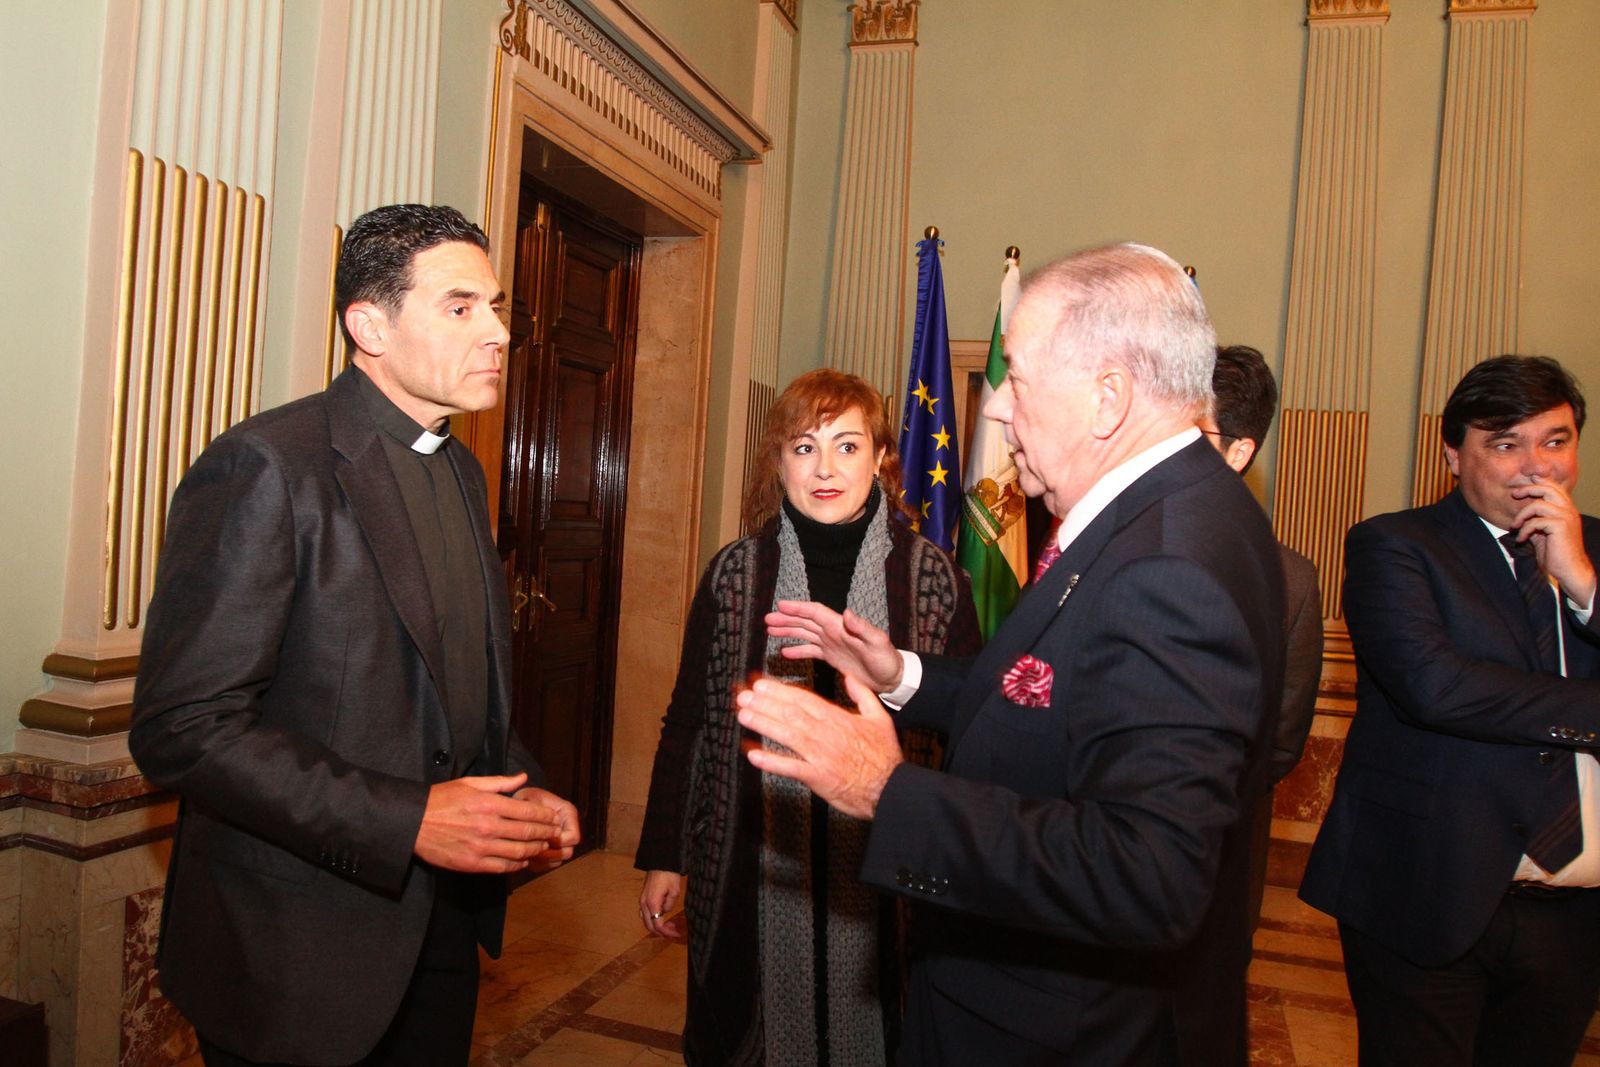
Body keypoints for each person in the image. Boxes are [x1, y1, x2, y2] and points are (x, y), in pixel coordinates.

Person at [739, 243, 1286, 1064]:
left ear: (1108, 397)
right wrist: (901, 673)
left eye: (1018, 380)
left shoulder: (1167, 561)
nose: (994, 409)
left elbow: (1146, 873)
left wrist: (886, 789)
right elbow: (1055, 694)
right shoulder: (1170, 510)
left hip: (1067, 1031)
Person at [130, 204, 580, 1067]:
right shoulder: (267, 464)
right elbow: (181, 728)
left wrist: (518, 785)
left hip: (439, 933)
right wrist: (408, 820)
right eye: (460, 307)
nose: (498, 333)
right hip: (295, 953)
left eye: (495, 307)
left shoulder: (462, 468)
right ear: (369, 326)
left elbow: (450, 683)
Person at [635, 368, 980, 1066]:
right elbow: (688, 722)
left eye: (847, 446)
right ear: (779, 461)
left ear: (881, 460)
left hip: (891, 875)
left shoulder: (932, 578)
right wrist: (666, 854)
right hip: (745, 861)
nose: (825, 468)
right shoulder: (735, 575)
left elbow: (969, 732)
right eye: (804, 447)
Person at [1300, 356, 1600, 1067]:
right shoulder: (1396, 545)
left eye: (1555, 441)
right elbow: (1436, 686)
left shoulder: (1595, 551)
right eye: (1506, 443)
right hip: (1429, 889)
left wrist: (1584, 585)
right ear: (1454, 455)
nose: (1537, 466)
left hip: (1576, 913)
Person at [1202, 344, 1323, 930]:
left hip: (1220, 849)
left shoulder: (1289, 581)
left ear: (1238, 452)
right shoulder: (1090, 539)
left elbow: (1281, 739)